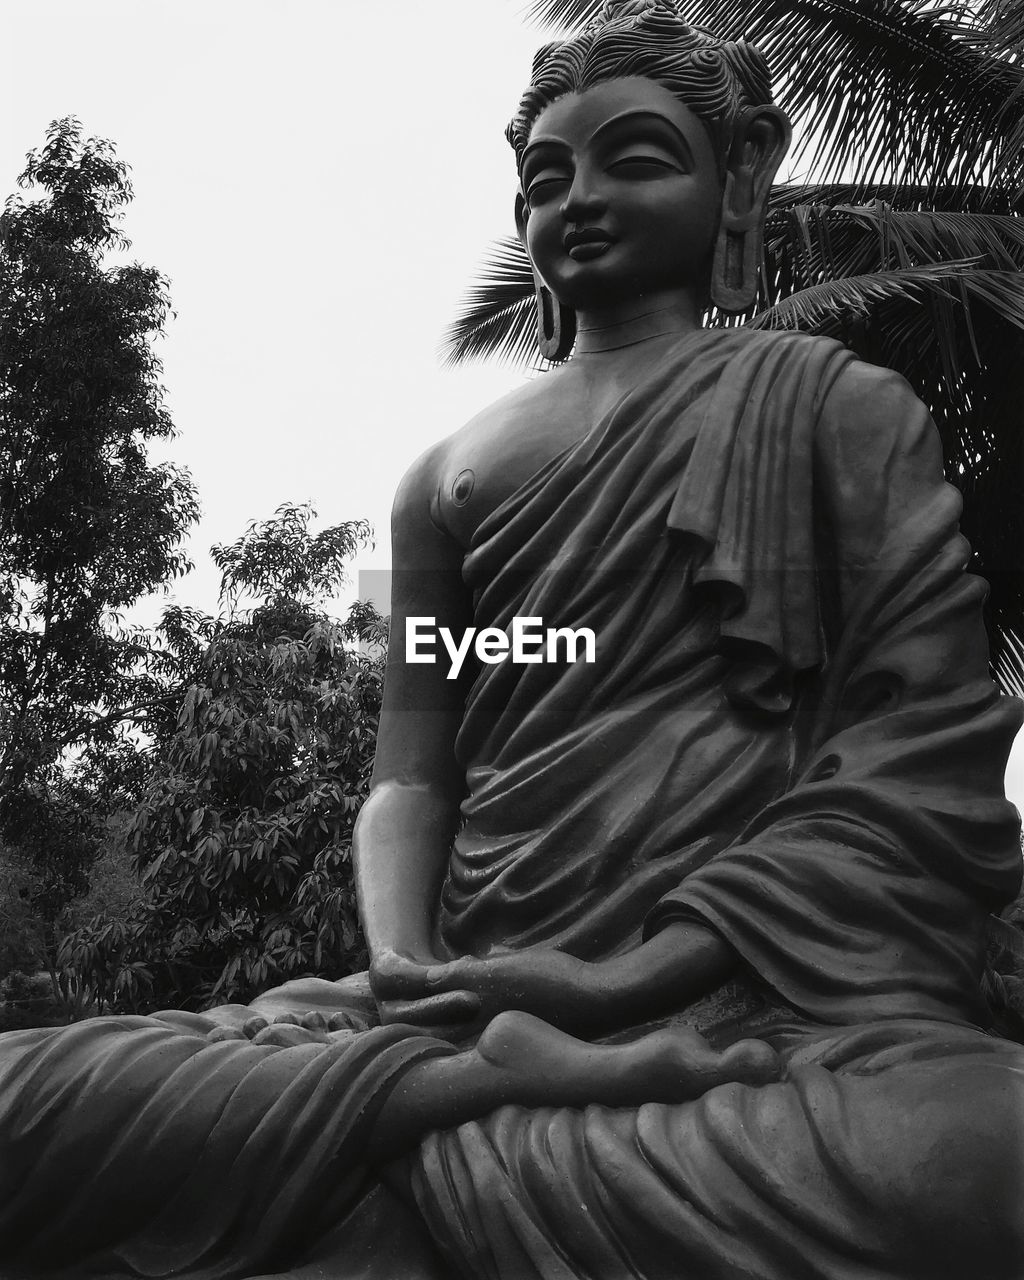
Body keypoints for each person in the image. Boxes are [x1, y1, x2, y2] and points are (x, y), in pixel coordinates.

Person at [2, 3, 1023, 1277]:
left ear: (737, 175)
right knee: (20, 1097)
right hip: (460, 991)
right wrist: (405, 962)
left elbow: (905, 765)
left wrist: (612, 982)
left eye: (635, 159)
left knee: (982, 1158)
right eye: (547, 176)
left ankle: (434, 1108)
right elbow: (410, 772)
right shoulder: (444, 473)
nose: (579, 197)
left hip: (750, 997)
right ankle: (443, 1085)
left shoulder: (833, 407)